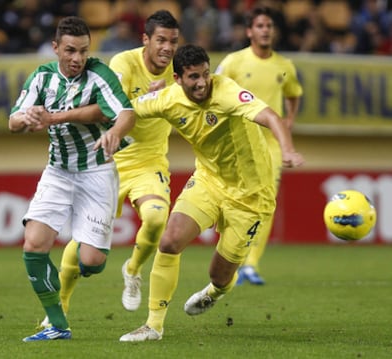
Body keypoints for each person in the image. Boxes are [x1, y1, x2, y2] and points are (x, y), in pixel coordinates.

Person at [119, 44, 304, 342]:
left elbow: (270, 116)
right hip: (208, 181)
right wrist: (105, 130)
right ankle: (153, 326)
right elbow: (126, 107)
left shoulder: (226, 92)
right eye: (193, 77)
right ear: (177, 78)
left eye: (205, 74)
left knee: (219, 274)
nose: (202, 82)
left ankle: (216, 291)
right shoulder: (167, 99)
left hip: (251, 195)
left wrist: (288, 149)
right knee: (169, 240)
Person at [41, 10, 179, 325]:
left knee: (157, 218)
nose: (168, 48)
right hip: (110, 159)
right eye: (161, 40)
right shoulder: (122, 64)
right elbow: (109, 110)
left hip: (150, 160)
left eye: (173, 41)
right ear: (146, 40)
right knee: (83, 239)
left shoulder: (179, 71)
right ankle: (58, 308)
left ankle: (133, 269)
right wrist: (149, 97)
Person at [9, 16, 135, 342]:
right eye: (69, 51)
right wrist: (29, 117)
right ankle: (58, 324)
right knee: (34, 245)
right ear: (55, 48)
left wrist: (115, 134)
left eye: (82, 51)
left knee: (91, 262)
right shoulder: (42, 77)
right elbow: (14, 121)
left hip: (96, 170)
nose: (77, 58)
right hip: (58, 171)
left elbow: (125, 114)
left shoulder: (99, 73)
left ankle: (87, 252)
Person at [215, 6, 303, 285]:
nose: (266, 29)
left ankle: (250, 264)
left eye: (269, 25)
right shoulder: (233, 62)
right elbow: (214, 89)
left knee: (266, 203)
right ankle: (233, 256)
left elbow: (293, 94)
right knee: (233, 202)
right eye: (260, 25)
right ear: (250, 31)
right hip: (239, 142)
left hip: (271, 144)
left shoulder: (284, 66)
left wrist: (289, 119)